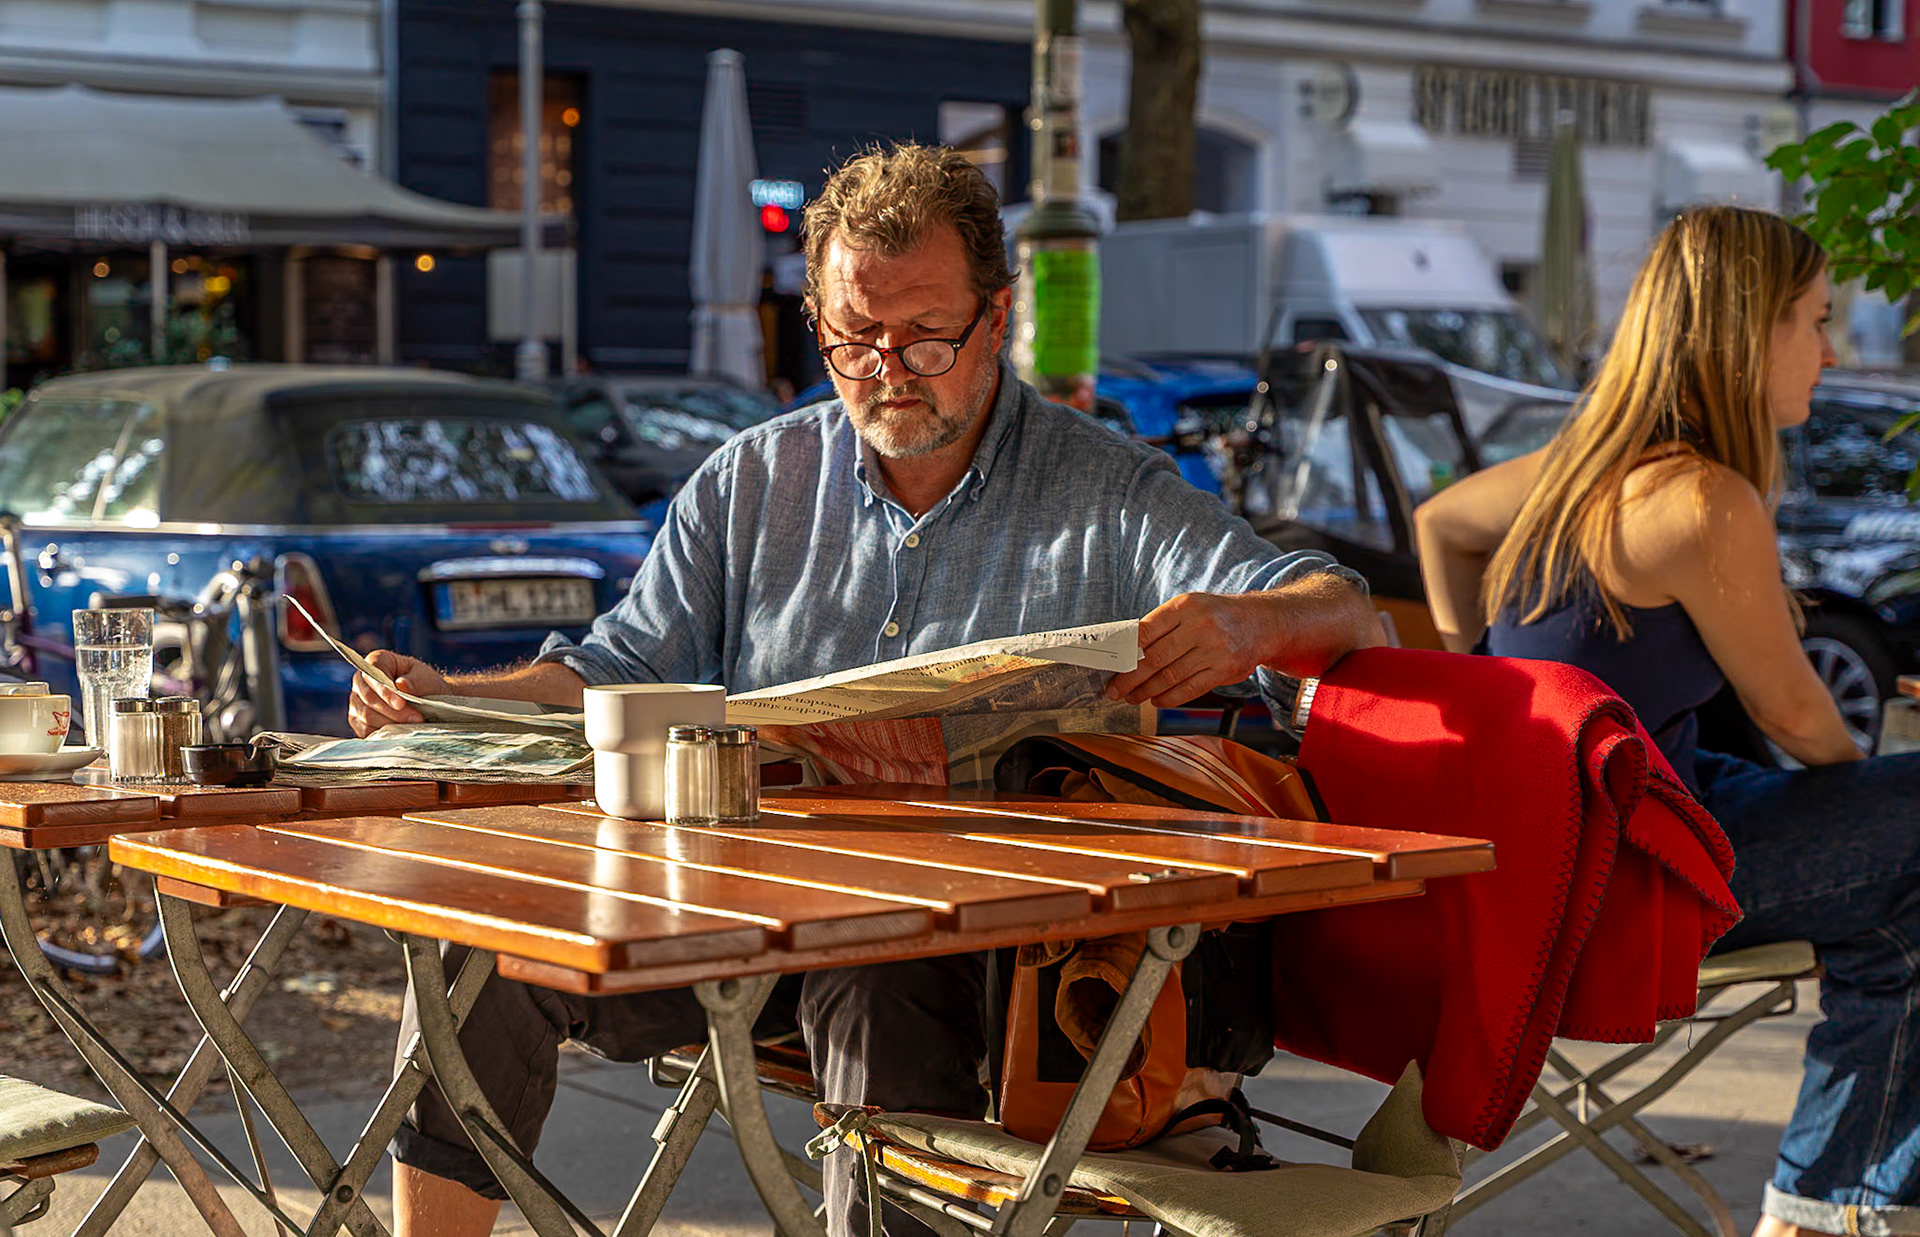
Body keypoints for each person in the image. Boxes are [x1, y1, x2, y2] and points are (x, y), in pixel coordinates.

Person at [350, 141, 1383, 1237]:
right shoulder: (753, 481)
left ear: (996, 319)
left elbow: (1346, 607)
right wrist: (456, 699)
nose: (888, 368)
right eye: (852, 338)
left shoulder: (1105, 489)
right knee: (477, 942)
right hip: (741, 917)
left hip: (993, 952)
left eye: (927, 338)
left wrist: (1251, 621)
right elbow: (617, 668)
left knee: (880, 971)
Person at [1414, 203, 1920, 1237]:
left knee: (1899, 922)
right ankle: (1834, 1209)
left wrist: (1483, 677)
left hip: (1578, 835)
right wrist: (1871, 804)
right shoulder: (1702, 499)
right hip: (1622, 875)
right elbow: (1796, 715)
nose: (1829, 352)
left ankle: (1837, 1206)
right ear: (1748, 331)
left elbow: (1440, 524)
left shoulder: (1576, 472)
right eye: (1814, 323)